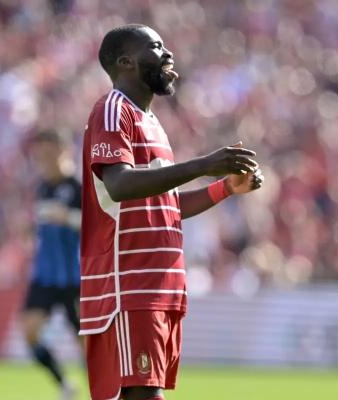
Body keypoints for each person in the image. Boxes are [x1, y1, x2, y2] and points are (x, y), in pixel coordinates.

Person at [80, 24, 264, 400]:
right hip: (130, 284)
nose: (168, 54)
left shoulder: (152, 123)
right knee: (143, 394)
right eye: (156, 46)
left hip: (159, 286)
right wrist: (202, 165)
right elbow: (119, 184)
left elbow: (164, 207)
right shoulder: (114, 109)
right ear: (126, 62)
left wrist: (226, 187)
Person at [22, 129, 83, 400]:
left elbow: (99, 225)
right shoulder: (42, 188)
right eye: (39, 156)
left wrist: (67, 217)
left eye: (48, 154)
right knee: (30, 330)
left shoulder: (80, 187)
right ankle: (64, 384)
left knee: (86, 343)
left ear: (64, 150)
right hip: (45, 275)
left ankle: (102, 392)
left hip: (76, 276)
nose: (43, 161)